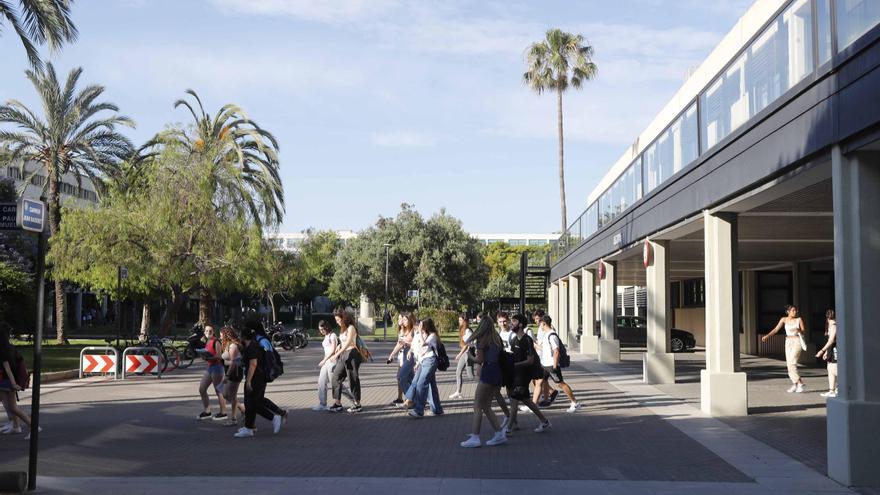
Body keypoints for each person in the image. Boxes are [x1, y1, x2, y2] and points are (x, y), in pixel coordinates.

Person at [461, 318, 507, 448]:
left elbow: (479, 359)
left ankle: (475, 437)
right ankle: (499, 433)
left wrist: (470, 356)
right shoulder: (496, 338)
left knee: (477, 404)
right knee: (486, 406)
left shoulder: (482, 340)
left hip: (488, 371)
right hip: (497, 371)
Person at [234, 324, 284, 438]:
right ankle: (248, 427)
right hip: (257, 378)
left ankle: (274, 418)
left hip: (256, 378)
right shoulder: (251, 345)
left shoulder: (252, 347)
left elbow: (253, 364)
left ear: (243, 337)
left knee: (254, 403)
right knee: (249, 403)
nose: (238, 337)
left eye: (239, 335)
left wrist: (248, 381)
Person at [506, 314, 551, 434]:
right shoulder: (514, 339)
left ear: (520, 324)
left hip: (524, 375)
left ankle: (508, 428)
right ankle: (544, 421)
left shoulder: (527, 340)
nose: (511, 323)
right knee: (526, 400)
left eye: (514, 321)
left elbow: (530, 360)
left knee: (514, 399)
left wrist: (515, 365)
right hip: (516, 374)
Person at [535, 315, 581, 413]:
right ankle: (533, 405)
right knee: (539, 382)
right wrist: (535, 346)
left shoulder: (552, 335)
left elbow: (556, 351)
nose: (540, 326)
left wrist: (555, 367)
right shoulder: (547, 334)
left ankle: (574, 402)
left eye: (540, 324)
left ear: (544, 323)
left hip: (551, 365)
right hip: (544, 364)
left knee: (561, 384)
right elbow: (546, 350)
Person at [0, 324, 36, 438]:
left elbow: (8, 369)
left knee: (13, 408)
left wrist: (14, 384)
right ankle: (16, 426)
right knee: (10, 407)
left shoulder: (3, 351)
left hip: (7, 382)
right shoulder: (8, 348)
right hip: (6, 382)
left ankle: (33, 427)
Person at [762, 305, 807, 393]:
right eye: (793, 310)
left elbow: (803, 331)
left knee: (792, 363)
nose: (795, 312)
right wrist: (767, 336)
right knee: (788, 364)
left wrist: (799, 330)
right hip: (788, 342)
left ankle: (800, 383)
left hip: (796, 341)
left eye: (796, 310)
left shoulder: (799, 320)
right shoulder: (784, 319)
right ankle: (795, 384)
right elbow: (776, 329)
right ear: (788, 311)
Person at [315, 320, 355, 410]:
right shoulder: (326, 337)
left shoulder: (332, 336)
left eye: (322, 329)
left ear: (326, 327)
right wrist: (324, 360)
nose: (321, 331)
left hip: (332, 362)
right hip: (326, 362)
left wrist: (324, 360)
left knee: (336, 384)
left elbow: (333, 350)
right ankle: (322, 404)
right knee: (321, 382)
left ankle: (353, 399)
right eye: (320, 330)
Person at [329, 310, 363, 413]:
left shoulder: (351, 328)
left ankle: (357, 404)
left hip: (352, 355)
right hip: (343, 355)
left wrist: (337, 354)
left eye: (338, 320)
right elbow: (343, 341)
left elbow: (348, 343)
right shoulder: (343, 329)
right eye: (336, 320)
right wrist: (338, 346)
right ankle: (337, 403)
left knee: (353, 379)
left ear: (344, 318)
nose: (337, 322)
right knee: (335, 377)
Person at [408, 318, 443, 418]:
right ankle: (437, 409)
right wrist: (418, 362)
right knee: (431, 385)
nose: (420, 327)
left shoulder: (432, 335)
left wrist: (419, 332)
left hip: (430, 361)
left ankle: (419, 410)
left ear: (426, 326)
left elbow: (424, 344)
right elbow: (420, 350)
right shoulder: (421, 334)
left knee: (421, 384)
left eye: (422, 325)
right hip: (423, 361)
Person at [196, 325, 228, 421]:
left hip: (217, 368)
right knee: (202, 389)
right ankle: (207, 411)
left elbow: (219, 356)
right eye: (206, 331)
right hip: (210, 367)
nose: (208, 332)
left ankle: (223, 413)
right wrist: (203, 355)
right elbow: (208, 353)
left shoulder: (216, 341)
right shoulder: (207, 341)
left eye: (210, 331)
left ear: (213, 332)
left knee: (219, 391)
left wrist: (208, 358)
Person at [387, 312, 416, 407]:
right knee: (411, 379)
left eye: (404, 319)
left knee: (401, 377)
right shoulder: (403, 330)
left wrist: (407, 344)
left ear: (410, 320)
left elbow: (417, 344)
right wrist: (392, 354)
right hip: (404, 355)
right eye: (401, 319)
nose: (402, 321)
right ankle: (413, 400)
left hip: (411, 356)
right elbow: (399, 344)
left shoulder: (413, 331)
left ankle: (411, 398)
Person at [219, 327, 245, 426]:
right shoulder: (227, 345)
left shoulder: (233, 346)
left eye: (221, 334)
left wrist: (227, 375)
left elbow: (234, 363)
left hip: (235, 373)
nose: (220, 336)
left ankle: (233, 419)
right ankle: (243, 409)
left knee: (232, 395)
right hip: (230, 371)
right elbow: (227, 359)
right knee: (225, 394)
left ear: (226, 335)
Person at [449, 313, 474, 399]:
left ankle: (487, 386)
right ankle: (458, 392)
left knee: (471, 375)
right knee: (458, 371)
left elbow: (467, 345)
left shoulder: (467, 331)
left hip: (468, 354)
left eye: (460, 320)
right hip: (464, 353)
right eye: (459, 320)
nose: (459, 322)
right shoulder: (463, 330)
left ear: (465, 321)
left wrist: (459, 354)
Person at [816, 309, 838, 398]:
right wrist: (826, 351)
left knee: (835, 368)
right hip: (831, 348)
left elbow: (831, 340)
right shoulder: (830, 325)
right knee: (830, 368)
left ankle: (839, 388)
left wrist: (822, 351)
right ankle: (832, 390)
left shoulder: (833, 325)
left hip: (835, 348)